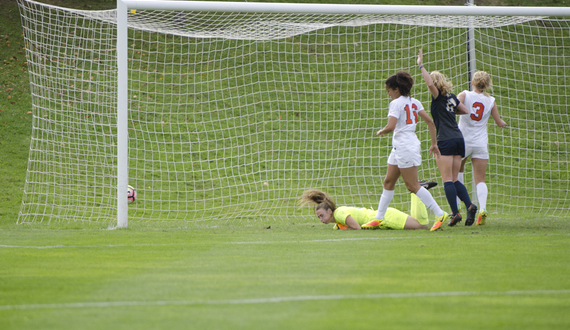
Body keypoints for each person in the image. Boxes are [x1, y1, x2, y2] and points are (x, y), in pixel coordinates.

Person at [374, 71, 449, 232]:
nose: (388, 94)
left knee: (412, 185)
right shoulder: (414, 102)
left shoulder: (396, 103)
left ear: (396, 89)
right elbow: (430, 122)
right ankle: (378, 218)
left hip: (405, 146)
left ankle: (439, 213)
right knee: (388, 182)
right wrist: (433, 143)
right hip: (402, 146)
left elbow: (391, 126)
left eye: (388, 91)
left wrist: (382, 131)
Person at [417, 49, 477, 229]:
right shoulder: (451, 97)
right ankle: (469, 205)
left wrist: (421, 65)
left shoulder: (437, 97)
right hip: (459, 139)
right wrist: (451, 111)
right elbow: (465, 111)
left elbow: (429, 84)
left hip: (445, 140)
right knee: (455, 179)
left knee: (447, 180)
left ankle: (455, 213)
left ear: (436, 84)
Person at [456, 71, 507, 226]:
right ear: (487, 85)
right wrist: (504, 123)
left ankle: (457, 207)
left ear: (472, 82)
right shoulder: (491, 100)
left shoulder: (465, 94)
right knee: (480, 179)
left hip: (463, 140)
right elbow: (499, 122)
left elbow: (453, 105)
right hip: (480, 143)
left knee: (457, 172)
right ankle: (483, 209)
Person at [298, 181, 438, 230]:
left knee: (422, 225)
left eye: (322, 215)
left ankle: (417, 190)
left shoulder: (339, 214)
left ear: (330, 211)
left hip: (386, 217)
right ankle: (417, 191)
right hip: (384, 217)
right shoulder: (338, 217)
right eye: (319, 217)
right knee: (418, 222)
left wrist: (343, 228)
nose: (321, 219)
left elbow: (357, 228)